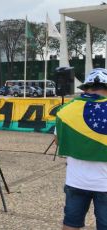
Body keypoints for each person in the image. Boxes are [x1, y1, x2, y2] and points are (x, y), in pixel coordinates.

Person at [55, 68, 107, 230]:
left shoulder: (65, 111)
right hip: (104, 184)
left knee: (70, 224)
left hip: (76, 180)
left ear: (86, 88)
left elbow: (58, 141)